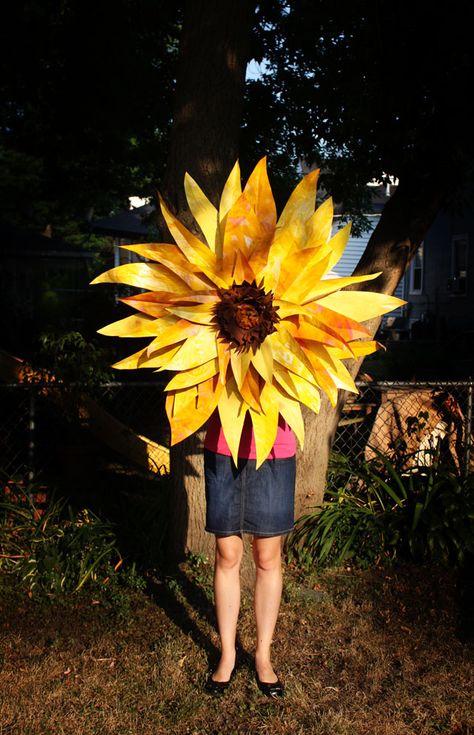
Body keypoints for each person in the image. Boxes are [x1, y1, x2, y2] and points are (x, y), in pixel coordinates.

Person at [203, 409, 296, 698]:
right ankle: (228, 654)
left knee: (268, 557)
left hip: (275, 447)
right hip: (223, 444)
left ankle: (262, 656)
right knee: (227, 554)